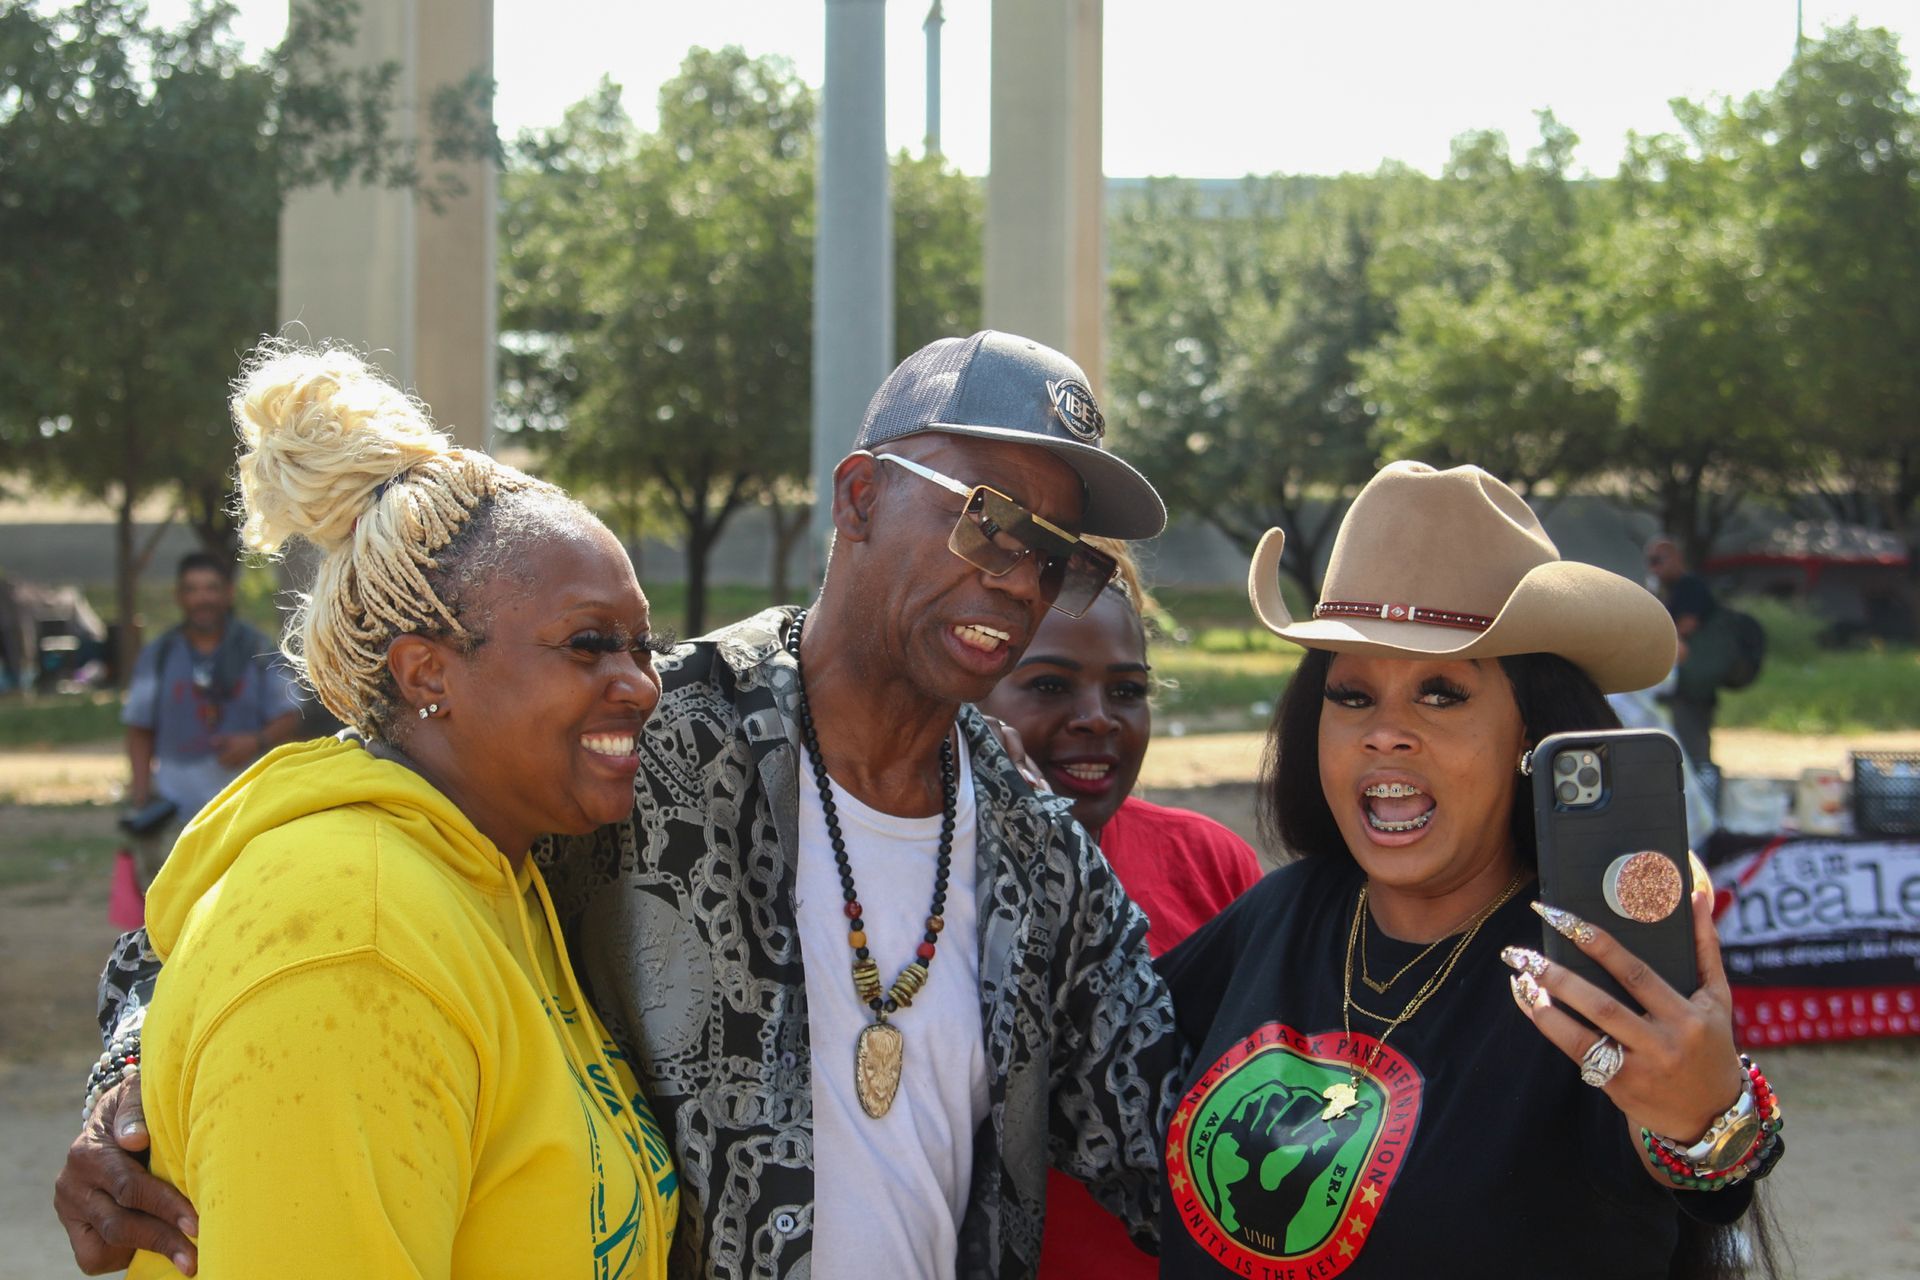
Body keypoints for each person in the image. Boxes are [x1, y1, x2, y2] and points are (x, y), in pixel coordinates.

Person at [65, 331, 1185, 1280]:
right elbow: (261, 898)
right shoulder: (646, 739)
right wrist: (129, 1077)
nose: (1018, 577)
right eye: (988, 518)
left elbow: (1163, 1131)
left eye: (1052, 551)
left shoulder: (1036, 846)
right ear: (857, 497)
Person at [58, 345, 679, 1277]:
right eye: (590, 644)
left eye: (642, 644)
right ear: (427, 673)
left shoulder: (499, 872)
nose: (641, 684)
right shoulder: (358, 940)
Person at [1153, 462, 1781, 1279]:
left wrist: (1711, 1123)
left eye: (1441, 693)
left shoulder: (1587, 960)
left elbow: (1702, 1170)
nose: (1385, 734)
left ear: (1533, 733)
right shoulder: (1285, 911)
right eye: (1351, 696)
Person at [979, 544, 1263, 1279]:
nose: (1098, 720)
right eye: (1048, 685)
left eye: (1128, 691)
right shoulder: (912, 881)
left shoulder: (1212, 863)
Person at [121, 550, 303, 888]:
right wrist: (142, 798)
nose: (202, 598)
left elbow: (291, 713)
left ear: (228, 593)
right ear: (179, 597)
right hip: (175, 814)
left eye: (211, 588)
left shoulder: (258, 649)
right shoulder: (159, 654)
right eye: (192, 589)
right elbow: (138, 728)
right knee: (171, 912)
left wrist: (257, 741)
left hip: (244, 811)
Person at [1646, 535, 1719, 766]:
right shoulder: (1669, 589)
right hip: (1679, 681)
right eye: (1651, 561)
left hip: (1695, 677)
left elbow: (1688, 625)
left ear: (1677, 558)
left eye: (1660, 559)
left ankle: (1703, 786)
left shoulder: (1690, 586)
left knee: (1693, 745)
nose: (1655, 567)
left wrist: (1658, 638)